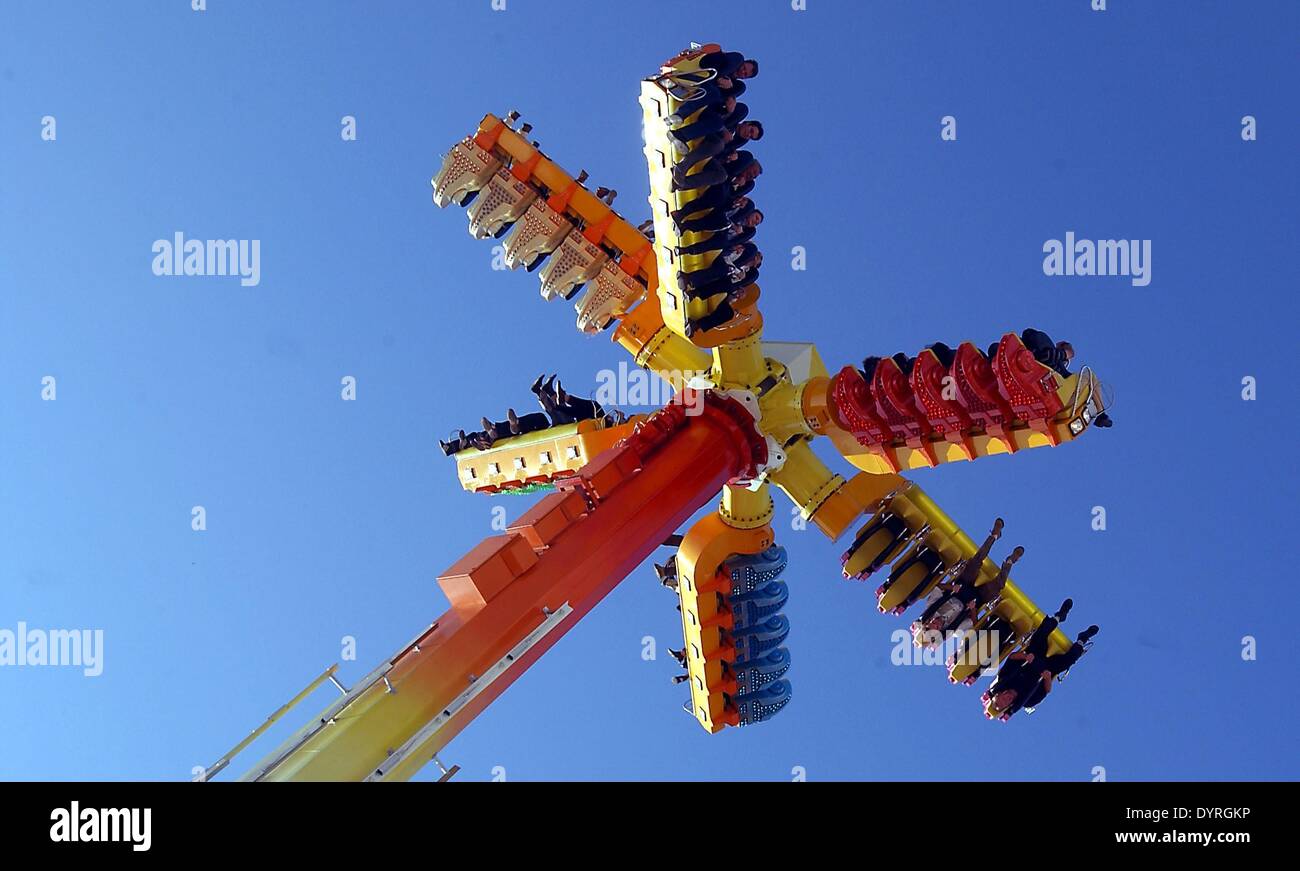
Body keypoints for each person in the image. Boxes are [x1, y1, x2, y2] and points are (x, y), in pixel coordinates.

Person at [674, 209, 763, 256]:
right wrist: (733, 225)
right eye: (756, 218)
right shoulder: (740, 209)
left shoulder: (744, 232)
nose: (754, 222)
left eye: (756, 224)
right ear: (751, 212)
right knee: (719, 222)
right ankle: (684, 227)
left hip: (723, 236)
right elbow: (726, 214)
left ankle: (685, 250)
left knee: (718, 243)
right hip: (720, 221)